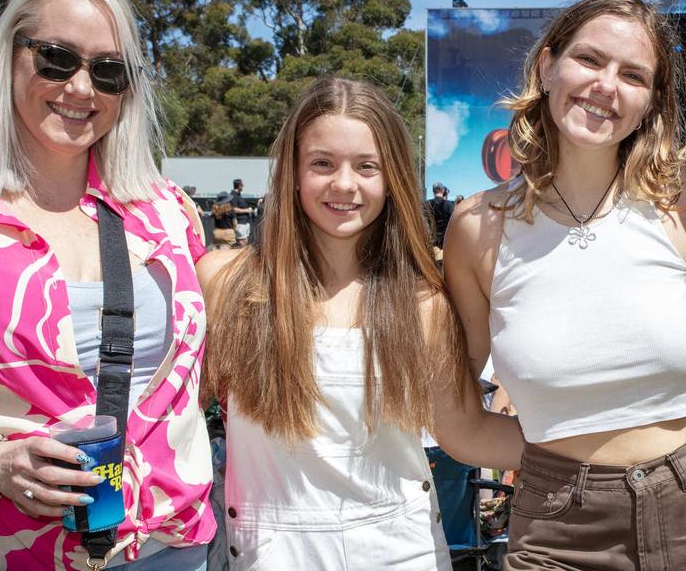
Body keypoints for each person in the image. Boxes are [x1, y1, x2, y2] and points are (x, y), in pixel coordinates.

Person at [444, 0, 686, 570]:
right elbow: (457, 421)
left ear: (650, 101)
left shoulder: (680, 196)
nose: (606, 85)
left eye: (632, 74)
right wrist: (563, 460)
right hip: (556, 526)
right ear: (547, 66)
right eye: (589, 60)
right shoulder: (476, 227)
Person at [0, 0, 215, 568]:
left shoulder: (167, 213)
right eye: (56, 59)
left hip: (168, 549)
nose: (81, 89)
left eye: (109, 72)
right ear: (10, 56)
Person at [198, 77, 523, 570]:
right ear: (292, 172)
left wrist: (595, 442)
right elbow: (170, 419)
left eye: (366, 166)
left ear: (392, 177)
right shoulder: (226, 283)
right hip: (271, 555)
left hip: (403, 551)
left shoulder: (423, 302)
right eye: (322, 163)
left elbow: (465, 433)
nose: (344, 184)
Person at [428, 182, 454, 248]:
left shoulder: (426, 204)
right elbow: (454, 223)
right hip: (446, 242)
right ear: (443, 190)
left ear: (433, 191)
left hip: (430, 242)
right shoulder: (449, 205)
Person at [229, 179, 251, 244]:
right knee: (242, 242)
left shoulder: (238, 195)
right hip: (240, 223)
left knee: (245, 241)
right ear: (239, 186)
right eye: (242, 185)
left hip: (244, 222)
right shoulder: (233, 195)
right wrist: (247, 210)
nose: (243, 186)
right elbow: (234, 209)